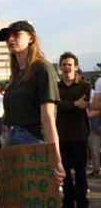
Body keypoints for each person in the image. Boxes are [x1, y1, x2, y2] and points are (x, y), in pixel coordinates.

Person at [0, 21, 65, 204]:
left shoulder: (43, 69)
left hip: (34, 138)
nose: (10, 39)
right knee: (14, 200)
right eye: (7, 36)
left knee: (36, 201)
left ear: (31, 38)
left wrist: (56, 159)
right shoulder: (17, 74)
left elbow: (48, 117)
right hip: (12, 137)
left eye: (16, 34)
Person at [56, 52, 91, 207]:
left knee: (81, 174)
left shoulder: (85, 86)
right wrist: (74, 104)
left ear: (76, 67)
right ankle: (68, 202)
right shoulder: (55, 87)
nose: (66, 67)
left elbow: (85, 105)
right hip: (61, 136)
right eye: (63, 64)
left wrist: (66, 104)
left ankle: (82, 202)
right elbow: (55, 106)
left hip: (79, 135)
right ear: (59, 67)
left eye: (69, 64)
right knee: (65, 176)